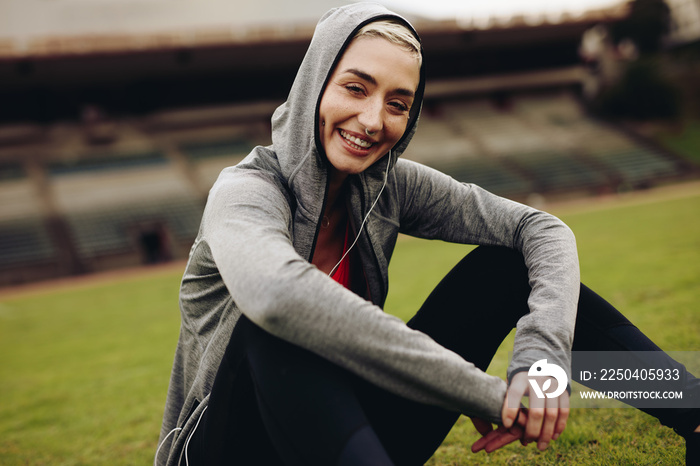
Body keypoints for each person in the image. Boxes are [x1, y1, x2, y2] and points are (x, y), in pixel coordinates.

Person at [155, 3, 699, 465]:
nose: (373, 120)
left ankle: (693, 416)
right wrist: (486, 393)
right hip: (231, 448)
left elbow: (542, 227)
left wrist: (544, 365)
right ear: (314, 83)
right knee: (274, 328)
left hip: (351, 431)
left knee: (504, 267)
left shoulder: (390, 185)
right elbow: (277, 298)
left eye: (398, 103)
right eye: (355, 88)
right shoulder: (245, 191)